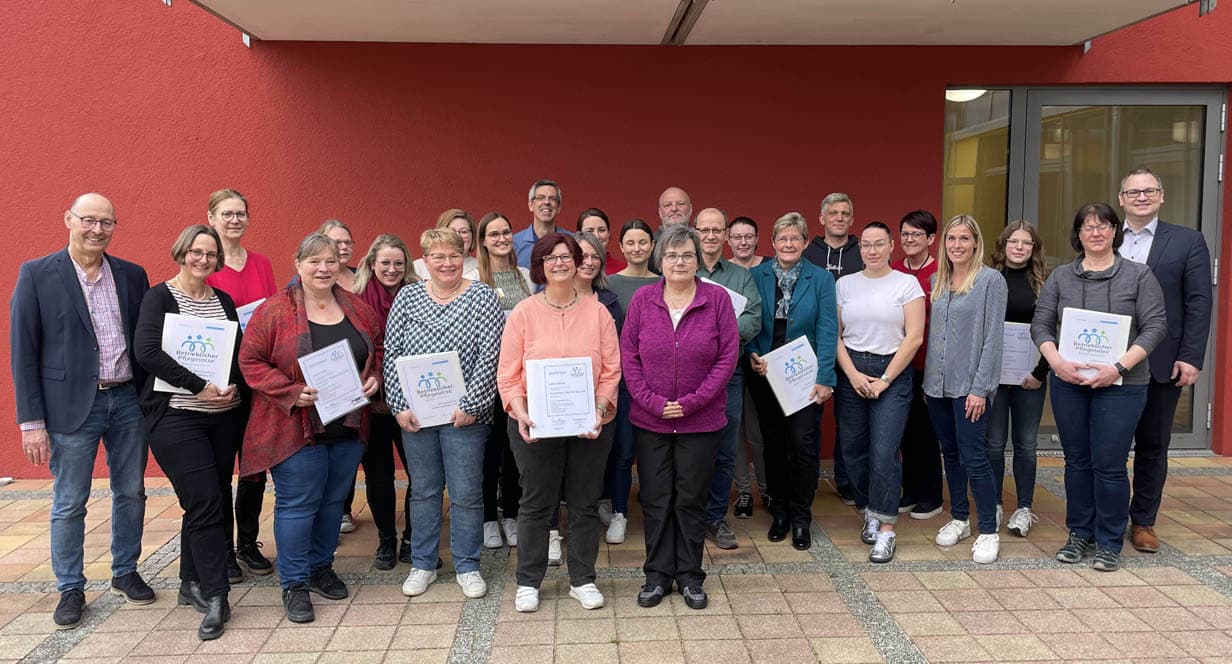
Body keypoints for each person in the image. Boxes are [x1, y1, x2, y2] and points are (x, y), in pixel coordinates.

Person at [11, 193, 153, 629]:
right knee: (69, 501)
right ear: (69, 219)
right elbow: (24, 350)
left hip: (127, 399)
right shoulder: (37, 274)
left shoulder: (131, 275)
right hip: (71, 407)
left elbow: (145, 341)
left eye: (106, 222)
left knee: (131, 492)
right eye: (88, 220)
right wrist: (32, 423)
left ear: (114, 226)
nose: (97, 229)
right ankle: (70, 587)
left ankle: (125, 572)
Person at [238, 233, 382, 623]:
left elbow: (378, 348)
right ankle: (295, 583)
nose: (323, 268)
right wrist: (289, 390)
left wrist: (374, 378)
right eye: (314, 261)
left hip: (348, 424)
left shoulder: (355, 306)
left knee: (334, 502)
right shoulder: (275, 310)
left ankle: (321, 567)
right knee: (298, 505)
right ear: (298, 264)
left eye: (331, 261)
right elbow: (250, 361)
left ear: (341, 265)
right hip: (294, 426)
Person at [1033, 202, 1166, 572]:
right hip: (1069, 383)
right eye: (1087, 226)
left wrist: (1118, 366)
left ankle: (1108, 541)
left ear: (1114, 231)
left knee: (1108, 464)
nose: (1095, 232)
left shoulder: (1139, 276)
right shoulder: (1061, 277)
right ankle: (1079, 533)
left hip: (1122, 385)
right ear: (1077, 234)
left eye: (1103, 225)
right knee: (1076, 461)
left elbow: (1156, 327)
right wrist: (1056, 362)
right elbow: (1041, 325)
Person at [497, 233, 621, 613]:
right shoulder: (524, 313)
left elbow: (612, 370)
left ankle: (582, 579)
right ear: (540, 265)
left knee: (584, 503)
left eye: (566, 256)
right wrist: (519, 409)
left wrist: (599, 410)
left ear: (577, 261)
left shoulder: (597, 312)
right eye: (550, 257)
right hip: (534, 422)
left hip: (591, 425)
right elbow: (508, 375)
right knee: (536, 502)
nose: (559, 263)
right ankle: (529, 581)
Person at [134, 224, 245, 640]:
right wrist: (199, 386)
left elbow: (235, 350)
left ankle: (188, 582)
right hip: (178, 418)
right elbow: (146, 352)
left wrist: (232, 383)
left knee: (211, 499)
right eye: (196, 252)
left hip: (223, 416)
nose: (203, 260)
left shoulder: (223, 300)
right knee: (204, 503)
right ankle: (217, 596)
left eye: (211, 255)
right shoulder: (159, 297)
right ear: (181, 252)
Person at [622, 224, 739, 609]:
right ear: (660, 258)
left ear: (697, 259)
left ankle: (690, 577)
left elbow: (726, 359)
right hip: (651, 420)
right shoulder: (642, 300)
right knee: (656, 500)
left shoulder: (717, 299)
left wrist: (691, 402)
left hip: (700, 422)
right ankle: (656, 576)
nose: (679, 262)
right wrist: (653, 402)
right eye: (672, 255)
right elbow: (630, 358)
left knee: (690, 500)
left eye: (687, 254)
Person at [385, 229, 504, 599]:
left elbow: (491, 355)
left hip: (463, 417)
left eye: (453, 255)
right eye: (437, 257)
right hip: (417, 417)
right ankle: (423, 563)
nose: (446, 263)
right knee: (423, 491)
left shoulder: (482, 296)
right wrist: (398, 405)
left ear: (464, 255)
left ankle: (468, 565)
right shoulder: (407, 297)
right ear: (425, 261)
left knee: (467, 493)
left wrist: (472, 406)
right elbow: (391, 352)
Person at [1117, 168, 1213, 554]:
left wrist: (1190, 356)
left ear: (1162, 196)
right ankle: (1104, 518)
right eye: (1133, 192)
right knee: (1108, 445)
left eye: (1149, 191)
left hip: (1161, 361)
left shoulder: (1188, 241)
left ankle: (1143, 522)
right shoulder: (1103, 235)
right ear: (1121, 198)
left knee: (1153, 445)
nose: (1141, 197)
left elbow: (1198, 302)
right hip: (1110, 360)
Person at [834, 222, 925, 563]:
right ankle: (870, 510)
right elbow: (836, 335)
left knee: (885, 451)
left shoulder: (907, 284)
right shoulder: (845, 284)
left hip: (894, 371)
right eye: (866, 245)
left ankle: (887, 528)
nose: (872, 251)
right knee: (853, 450)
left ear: (891, 247)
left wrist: (885, 378)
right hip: (852, 370)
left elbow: (913, 337)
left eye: (879, 244)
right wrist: (853, 373)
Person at [746, 212, 838, 551]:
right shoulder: (755, 276)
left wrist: (826, 377)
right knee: (773, 445)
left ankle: (801, 516)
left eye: (795, 238)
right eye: (782, 238)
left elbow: (828, 329)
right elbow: (749, 321)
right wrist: (753, 353)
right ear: (772, 243)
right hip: (766, 373)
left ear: (804, 242)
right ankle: (779, 512)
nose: (788, 244)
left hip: (804, 375)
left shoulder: (821, 279)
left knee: (802, 444)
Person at [925, 215, 1007, 564]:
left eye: (964, 239)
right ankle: (960, 518)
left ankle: (988, 529)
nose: (957, 245)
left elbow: (993, 339)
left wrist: (980, 388)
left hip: (970, 387)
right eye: (951, 239)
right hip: (936, 385)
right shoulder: (937, 280)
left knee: (974, 456)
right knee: (951, 454)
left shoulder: (991, 281)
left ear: (976, 242)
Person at [203, 188, 276, 580]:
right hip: (218, 379)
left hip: (257, 380)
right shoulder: (205, 264)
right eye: (227, 213)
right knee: (217, 469)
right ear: (211, 217)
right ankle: (222, 551)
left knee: (253, 467)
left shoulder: (262, 263)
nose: (235, 220)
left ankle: (247, 544)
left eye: (241, 213)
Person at [344, 235, 419, 569]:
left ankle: (413, 538)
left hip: (414, 401)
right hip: (371, 404)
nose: (392, 269)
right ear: (372, 264)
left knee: (421, 473)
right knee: (378, 474)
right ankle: (386, 540)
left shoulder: (419, 296)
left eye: (398, 263)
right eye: (385, 263)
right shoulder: (355, 302)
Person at [693, 208, 763, 549]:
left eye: (716, 230)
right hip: (686, 375)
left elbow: (752, 319)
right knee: (689, 447)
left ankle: (714, 517)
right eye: (704, 230)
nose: (710, 236)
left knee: (723, 448)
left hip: (728, 375)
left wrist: (714, 336)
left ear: (725, 236)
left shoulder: (740, 276)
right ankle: (689, 514)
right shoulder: (681, 269)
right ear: (695, 232)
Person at [986, 221, 1050, 538]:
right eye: (1014, 241)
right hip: (994, 378)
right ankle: (995, 504)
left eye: (1027, 243)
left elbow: (1052, 331)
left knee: (1025, 444)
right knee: (994, 444)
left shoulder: (1044, 284)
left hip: (1031, 377)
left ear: (1034, 249)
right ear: (1004, 244)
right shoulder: (987, 279)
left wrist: (1040, 374)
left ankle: (1024, 508)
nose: (1020, 247)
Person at [475, 212, 533, 550]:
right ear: (482, 240)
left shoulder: (523, 276)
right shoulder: (473, 277)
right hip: (485, 379)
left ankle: (511, 514)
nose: (501, 238)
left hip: (518, 379)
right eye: (493, 234)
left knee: (515, 450)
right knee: (487, 450)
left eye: (506, 232)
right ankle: (487, 518)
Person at [802, 193, 861, 505]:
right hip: (812, 348)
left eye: (845, 213)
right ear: (821, 218)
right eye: (833, 213)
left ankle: (846, 479)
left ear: (852, 220)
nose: (839, 218)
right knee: (809, 421)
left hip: (854, 347)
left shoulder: (864, 252)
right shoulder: (806, 252)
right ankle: (808, 480)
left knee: (849, 421)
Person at [603, 219, 659, 546]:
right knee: (623, 452)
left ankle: (655, 511)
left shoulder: (666, 282)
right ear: (621, 248)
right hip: (623, 383)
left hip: (658, 384)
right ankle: (619, 512)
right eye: (631, 243)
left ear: (652, 246)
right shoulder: (610, 284)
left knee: (654, 453)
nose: (637, 248)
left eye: (643, 242)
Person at [892, 210, 944, 520]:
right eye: (906, 234)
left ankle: (931, 495)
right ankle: (909, 491)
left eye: (917, 234)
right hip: (899, 365)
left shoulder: (940, 273)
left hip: (930, 364)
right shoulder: (894, 270)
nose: (910, 239)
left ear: (931, 239)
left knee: (926, 433)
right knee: (904, 432)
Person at [726, 215, 769, 515]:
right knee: (735, 429)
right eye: (737, 236)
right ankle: (743, 491)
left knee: (759, 428)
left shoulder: (770, 269)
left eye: (748, 236)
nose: (743, 242)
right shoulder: (719, 271)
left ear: (757, 238)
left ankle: (767, 490)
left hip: (762, 359)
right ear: (729, 239)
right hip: (726, 359)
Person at [513, 180, 571, 273]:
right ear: (531, 205)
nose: (547, 202)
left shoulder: (571, 241)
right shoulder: (515, 245)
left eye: (552, 198)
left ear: (559, 207)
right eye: (541, 197)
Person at [412, 209, 480, 281]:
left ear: (473, 235)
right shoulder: (418, 267)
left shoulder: (481, 268)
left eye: (464, 231)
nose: (457, 236)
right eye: (451, 231)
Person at [578, 207, 626, 274]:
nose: (597, 236)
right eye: (590, 231)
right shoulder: (573, 267)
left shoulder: (623, 269)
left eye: (602, 230)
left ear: (609, 233)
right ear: (579, 235)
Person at [320, 219, 358, 292]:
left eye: (347, 242)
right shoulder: (315, 277)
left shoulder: (362, 275)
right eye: (337, 242)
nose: (344, 247)